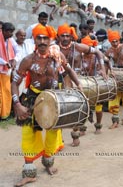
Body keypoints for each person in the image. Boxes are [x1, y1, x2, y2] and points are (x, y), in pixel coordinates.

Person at [11, 23, 83, 187]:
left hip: (54, 99)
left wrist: (78, 86)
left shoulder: (56, 56)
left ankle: (48, 163)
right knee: (28, 133)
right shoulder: (28, 60)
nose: (42, 41)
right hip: (32, 99)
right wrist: (17, 104)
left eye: (45, 38)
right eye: (39, 38)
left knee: (52, 132)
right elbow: (14, 83)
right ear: (34, 40)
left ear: (50, 40)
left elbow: (69, 70)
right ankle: (29, 171)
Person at [56, 23, 107, 143]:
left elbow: (98, 53)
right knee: (59, 110)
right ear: (58, 37)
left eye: (67, 36)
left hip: (77, 81)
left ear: (71, 37)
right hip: (58, 82)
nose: (65, 38)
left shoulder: (77, 47)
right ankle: (59, 140)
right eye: (62, 36)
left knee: (77, 108)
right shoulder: (54, 49)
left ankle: (75, 136)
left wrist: (103, 69)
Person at [0, 22, 19, 121]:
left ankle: (4, 114)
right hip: (3, 67)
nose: (11, 34)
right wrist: (4, 62)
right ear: (2, 31)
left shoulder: (11, 40)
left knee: (6, 91)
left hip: (6, 71)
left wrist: (15, 59)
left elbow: (18, 51)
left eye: (12, 32)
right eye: (8, 31)